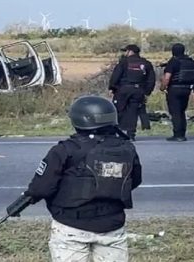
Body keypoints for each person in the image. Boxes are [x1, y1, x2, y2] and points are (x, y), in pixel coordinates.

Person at [23, 95, 143, 262]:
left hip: (71, 225)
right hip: (112, 224)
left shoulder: (64, 150)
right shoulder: (126, 148)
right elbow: (134, 180)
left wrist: (29, 197)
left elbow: (41, 188)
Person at [108, 44, 156, 140]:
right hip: (138, 90)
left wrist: (112, 88)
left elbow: (115, 77)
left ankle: (119, 133)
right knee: (133, 112)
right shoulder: (146, 63)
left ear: (130, 52)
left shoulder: (123, 62)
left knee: (119, 110)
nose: (125, 53)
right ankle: (131, 134)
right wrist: (147, 92)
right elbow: (151, 80)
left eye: (126, 51)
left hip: (123, 90)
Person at [160, 43, 194, 142]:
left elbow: (167, 77)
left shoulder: (173, 61)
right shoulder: (191, 61)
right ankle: (182, 133)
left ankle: (178, 135)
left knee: (175, 112)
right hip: (187, 89)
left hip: (174, 89)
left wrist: (163, 87)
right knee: (181, 112)